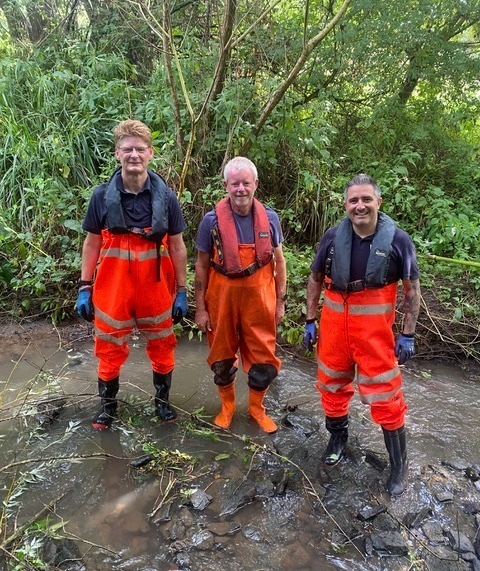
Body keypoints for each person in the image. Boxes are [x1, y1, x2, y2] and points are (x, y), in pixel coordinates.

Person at [304, 173, 421, 496]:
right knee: (331, 385)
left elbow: (412, 292)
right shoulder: (331, 238)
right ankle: (337, 439)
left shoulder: (398, 241)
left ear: (378, 202)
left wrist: (407, 334)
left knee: (386, 397)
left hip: (374, 336)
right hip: (334, 330)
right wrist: (309, 319)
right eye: (354, 200)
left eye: (366, 199)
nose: (360, 206)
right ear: (345, 204)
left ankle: (399, 466)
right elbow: (315, 279)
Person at [76, 119, 188, 430]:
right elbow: (92, 242)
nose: (134, 154)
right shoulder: (101, 196)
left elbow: (177, 246)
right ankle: (107, 409)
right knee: (109, 347)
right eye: (127, 149)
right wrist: (85, 286)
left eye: (140, 149)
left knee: (163, 346)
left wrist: (182, 289)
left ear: (150, 153)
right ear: (117, 154)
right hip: (114, 287)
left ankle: (162, 404)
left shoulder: (166, 197)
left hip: (155, 285)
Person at [194, 156, 287, 433]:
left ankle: (257, 409)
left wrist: (280, 302)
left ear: (255, 184)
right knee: (221, 359)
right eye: (235, 183)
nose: (240, 189)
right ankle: (228, 407)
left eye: (246, 183)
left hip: (260, 299)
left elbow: (280, 262)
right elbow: (200, 265)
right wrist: (200, 308)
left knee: (263, 361)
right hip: (221, 297)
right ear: (226, 185)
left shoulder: (270, 219)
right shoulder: (210, 222)